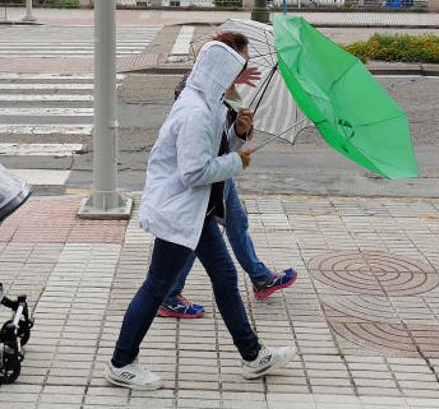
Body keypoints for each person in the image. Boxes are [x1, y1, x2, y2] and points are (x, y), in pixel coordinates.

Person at [104, 38, 297, 391]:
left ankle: (253, 356)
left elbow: (212, 149)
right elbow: (193, 172)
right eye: (235, 71)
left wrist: (238, 134)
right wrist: (235, 161)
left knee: (224, 276)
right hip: (180, 213)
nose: (238, 79)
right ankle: (121, 362)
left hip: (197, 212)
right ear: (219, 72)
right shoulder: (195, 112)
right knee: (156, 286)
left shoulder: (209, 104)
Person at [158, 34, 297, 320]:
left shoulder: (227, 91)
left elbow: (226, 141)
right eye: (240, 61)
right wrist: (236, 160)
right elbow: (200, 159)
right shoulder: (197, 94)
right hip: (204, 176)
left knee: (235, 222)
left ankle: (259, 277)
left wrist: (242, 128)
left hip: (216, 172)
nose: (245, 67)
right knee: (197, 237)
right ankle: (169, 295)